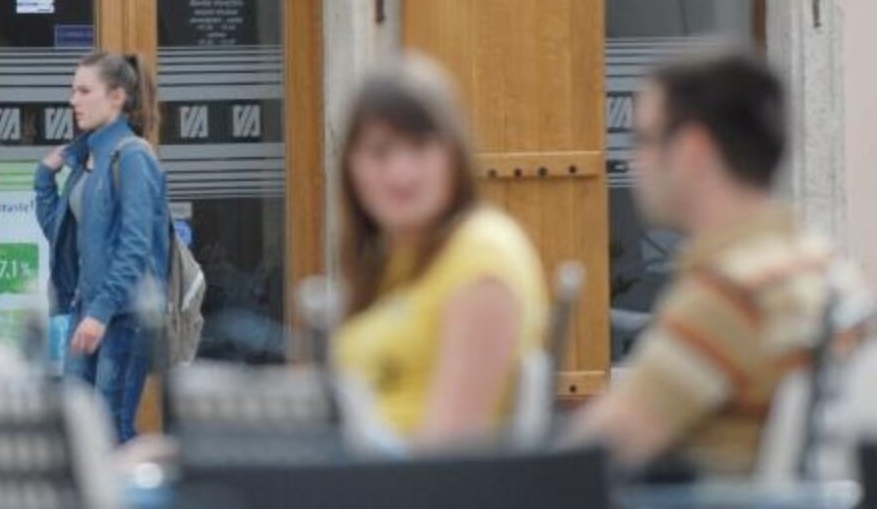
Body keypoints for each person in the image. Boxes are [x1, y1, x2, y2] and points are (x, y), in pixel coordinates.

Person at [568, 48, 865, 476]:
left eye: (644, 139)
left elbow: (590, 457)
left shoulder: (732, 294)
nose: (633, 160)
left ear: (693, 149)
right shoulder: (820, 263)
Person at [333, 56, 547, 447]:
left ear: (456, 155)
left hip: (414, 485)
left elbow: (451, 456)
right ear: (351, 167)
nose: (400, 173)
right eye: (379, 152)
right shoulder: (395, 254)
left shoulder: (483, 258)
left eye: (419, 147)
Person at [36, 51, 170, 442]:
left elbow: (136, 246)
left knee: (112, 431)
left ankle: (143, 484)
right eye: (72, 90)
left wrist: (101, 313)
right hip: (89, 310)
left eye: (84, 91)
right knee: (79, 428)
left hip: (124, 316)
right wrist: (44, 179)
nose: (73, 100)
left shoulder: (132, 156)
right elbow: (61, 235)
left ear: (117, 97)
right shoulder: (87, 159)